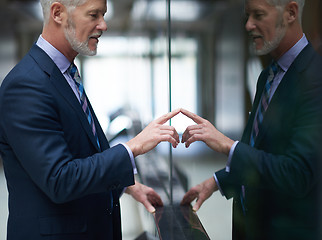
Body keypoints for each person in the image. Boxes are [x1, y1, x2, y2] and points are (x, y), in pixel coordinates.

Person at [0, 0, 180, 239]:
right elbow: (59, 179)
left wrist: (125, 185)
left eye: (103, 15)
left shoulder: (65, 74)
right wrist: (132, 148)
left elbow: (80, 151)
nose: (103, 25)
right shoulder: (26, 85)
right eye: (94, 15)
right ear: (58, 13)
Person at [180, 0, 322, 239]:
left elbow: (298, 174)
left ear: (290, 12)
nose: (248, 25)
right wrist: (218, 181)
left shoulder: (315, 78)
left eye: (258, 15)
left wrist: (227, 145)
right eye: (248, 15)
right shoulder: (268, 75)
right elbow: (262, 152)